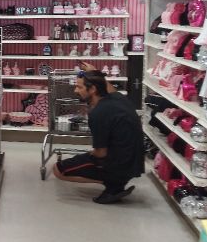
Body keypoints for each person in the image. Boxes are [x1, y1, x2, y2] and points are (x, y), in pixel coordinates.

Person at [52, 69, 144, 204]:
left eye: (79, 87)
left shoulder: (98, 113)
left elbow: (100, 153)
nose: (75, 91)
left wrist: (86, 155)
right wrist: (93, 71)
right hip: (135, 161)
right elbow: (108, 87)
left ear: (93, 89)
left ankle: (114, 182)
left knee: (57, 169)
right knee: (89, 156)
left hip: (119, 164)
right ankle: (117, 180)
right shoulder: (117, 98)